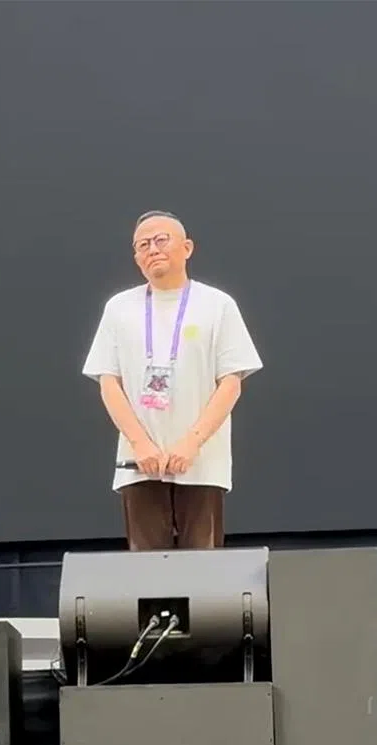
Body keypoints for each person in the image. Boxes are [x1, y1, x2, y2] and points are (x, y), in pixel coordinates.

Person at [82, 210, 262, 551]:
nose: (153, 249)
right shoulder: (119, 307)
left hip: (201, 460)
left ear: (187, 247)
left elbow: (231, 381)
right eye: (142, 245)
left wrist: (192, 442)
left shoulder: (218, 304)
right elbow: (108, 381)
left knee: (203, 566)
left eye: (161, 239)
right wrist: (141, 443)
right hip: (140, 462)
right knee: (147, 569)